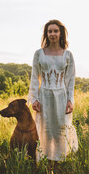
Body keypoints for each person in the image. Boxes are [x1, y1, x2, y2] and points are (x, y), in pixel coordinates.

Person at [28, 19, 78, 164]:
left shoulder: (67, 55)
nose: (52, 34)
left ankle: (59, 162)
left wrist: (70, 100)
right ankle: (45, 161)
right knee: (45, 129)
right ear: (46, 34)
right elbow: (34, 77)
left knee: (60, 131)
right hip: (44, 96)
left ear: (61, 33)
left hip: (61, 97)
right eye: (50, 31)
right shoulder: (39, 54)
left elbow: (70, 80)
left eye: (55, 31)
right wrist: (34, 98)